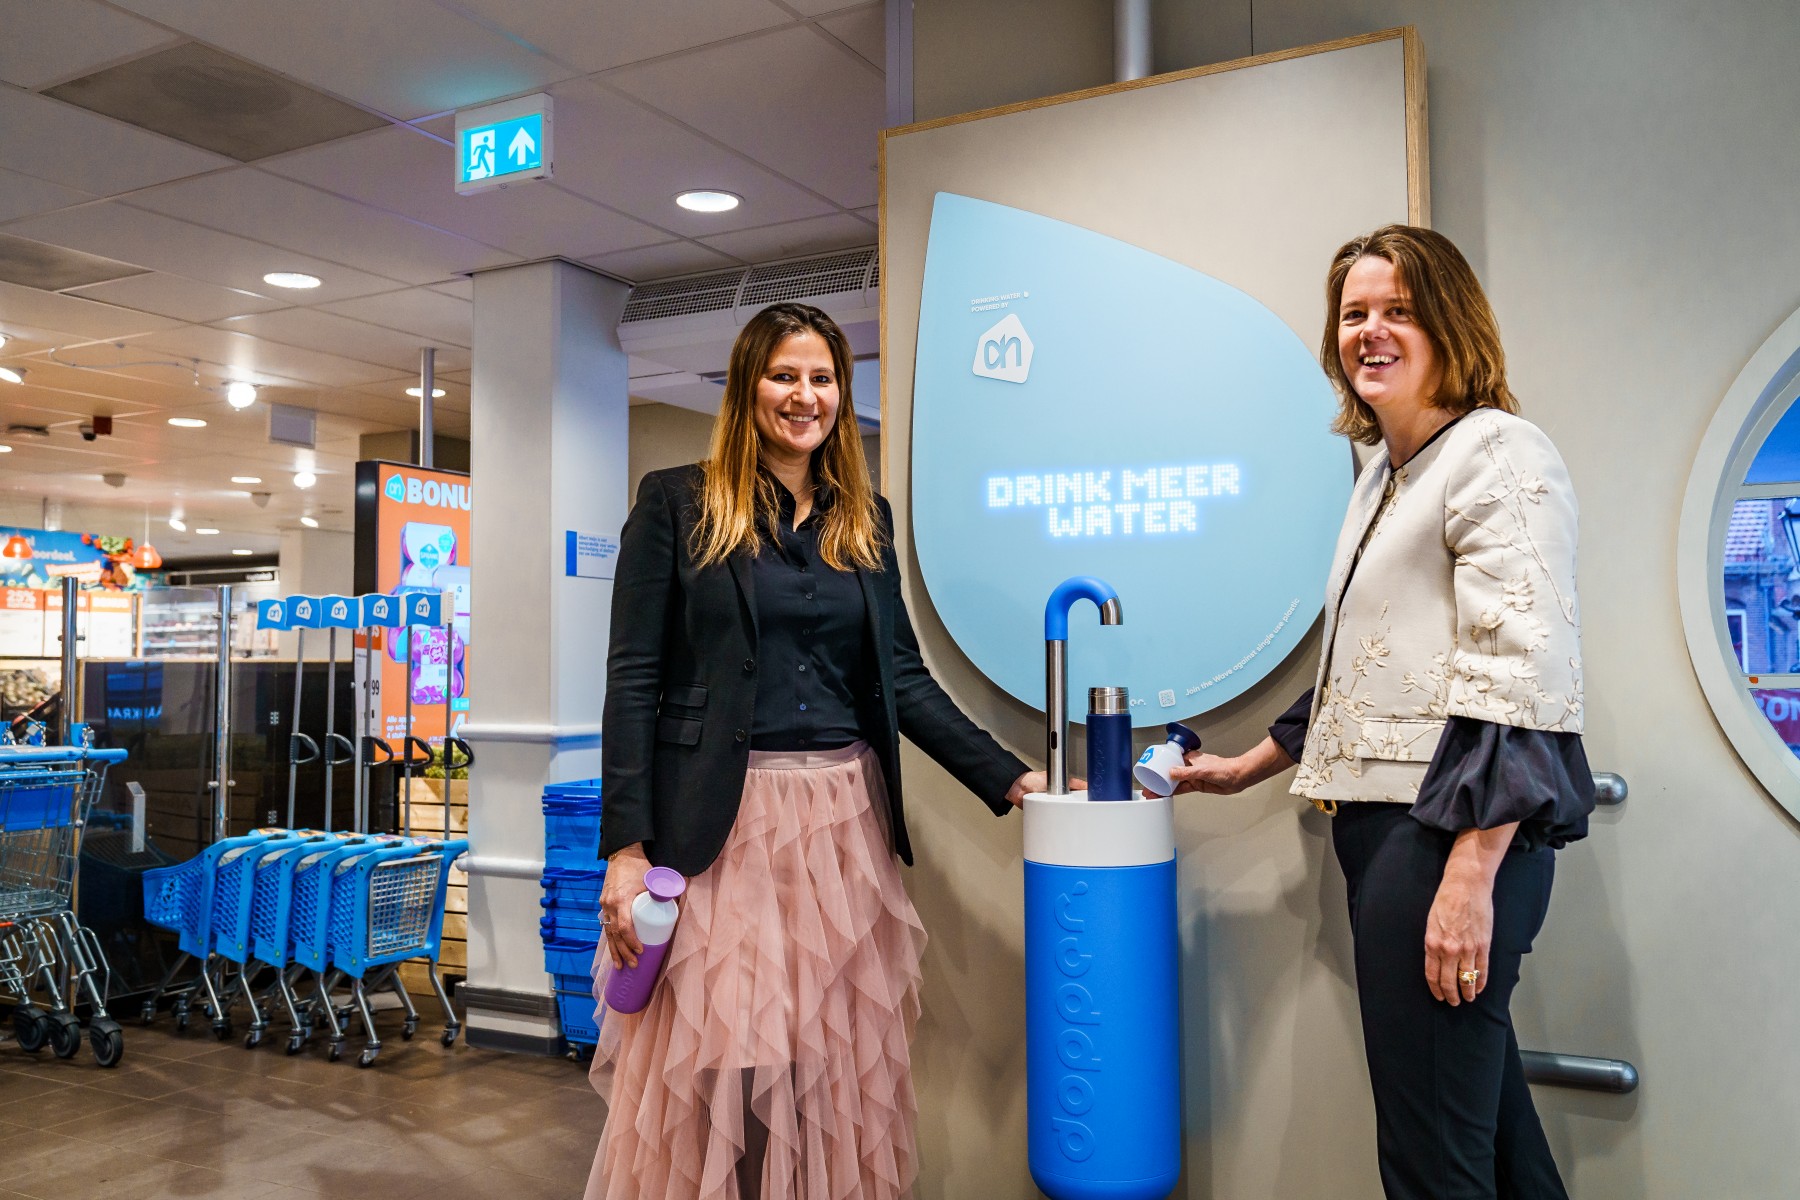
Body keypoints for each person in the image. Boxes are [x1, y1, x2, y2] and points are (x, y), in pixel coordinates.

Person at [587, 301, 1053, 1200]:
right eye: (784, 375)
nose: (805, 397)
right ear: (746, 385)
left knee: (820, 1068)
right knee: (721, 1068)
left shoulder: (862, 516)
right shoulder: (677, 501)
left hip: (842, 823)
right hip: (718, 830)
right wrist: (626, 848)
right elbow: (632, 681)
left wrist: (1013, 776)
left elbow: (902, 681)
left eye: (823, 378)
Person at [1166, 226, 1592, 1199]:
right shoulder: (1385, 474)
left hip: (1444, 834)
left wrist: (1468, 876)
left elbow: (1517, 673)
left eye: (1398, 309)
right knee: (1488, 1146)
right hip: (1390, 834)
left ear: (1450, 322)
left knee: (1430, 1163)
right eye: (1355, 313)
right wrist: (1247, 766)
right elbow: (1369, 664)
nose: (1371, 330)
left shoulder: (1497, 450)